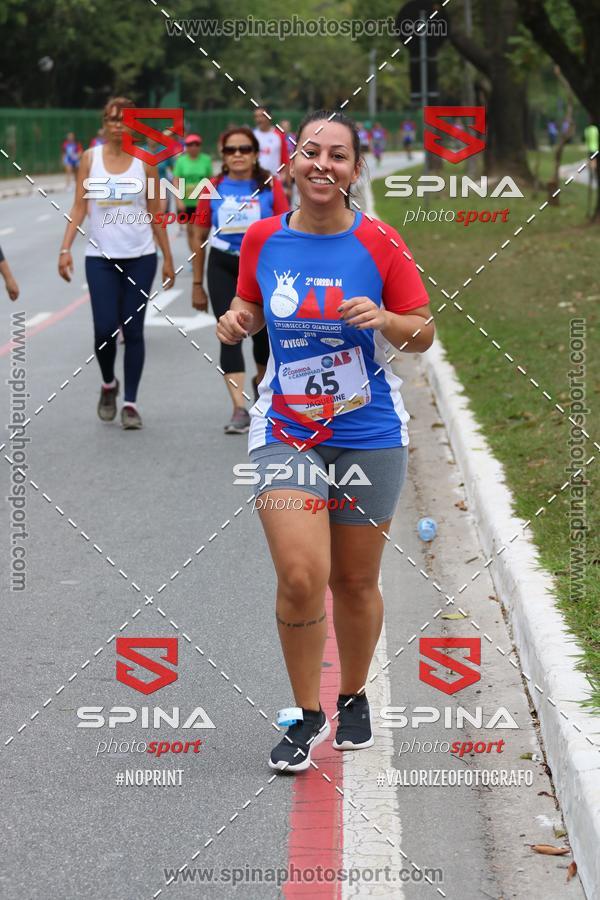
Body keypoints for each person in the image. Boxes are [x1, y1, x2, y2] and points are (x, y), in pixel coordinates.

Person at [216, 109, 434, 772]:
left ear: (354, 170)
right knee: (302, 575)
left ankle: (355, 694)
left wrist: (387, 318)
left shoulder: (381, 242)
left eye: (338, 156)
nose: (322, 165)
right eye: (312, 151)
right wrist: (237, 320)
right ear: (292, 162)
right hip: (287, 429)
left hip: (368, 430)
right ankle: (305, 714)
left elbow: (423, 332)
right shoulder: (262, 239)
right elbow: (252, 305)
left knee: (355, 579)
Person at [57, 96, 175, 430]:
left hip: (140, 256)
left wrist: (167, 258)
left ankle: (131, 403)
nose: (117, 125)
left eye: (123, 119)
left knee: (134, 330)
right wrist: (65, 248)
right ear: (104, 124)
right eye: (111, 119)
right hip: (101, 259)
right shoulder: (89, 159)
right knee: (105, 330)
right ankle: (109, 383)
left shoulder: (146, 162)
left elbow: (155, 213)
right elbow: (80, 205)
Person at [193, 126, 289, 434]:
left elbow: (288, 230)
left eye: (244, 149)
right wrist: (197, 283)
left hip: (262, 269)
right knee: (231, 330)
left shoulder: (270, 186)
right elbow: (199, 233)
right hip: (223, 265)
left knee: (263, 335)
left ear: (255, 153)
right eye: (231, 150)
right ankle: (238, 407)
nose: (237, 155)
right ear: (222, 155)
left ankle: (261, 390)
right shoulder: (212, 187)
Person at [172, 133, 212, 257]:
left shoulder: (206, 159)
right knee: (190, 231)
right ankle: (194, 255)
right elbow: (176, 180)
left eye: (197, 144)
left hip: (202, 202)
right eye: (190, 144)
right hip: (187, 202)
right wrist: (179, 200)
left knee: (201, 232)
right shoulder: (181, 161)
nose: (193, 147)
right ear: (186, 147)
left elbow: (210, 180)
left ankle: (199, 253)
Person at [253, 107, 290, 189]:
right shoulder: (251, 135)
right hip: (254, 181)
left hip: (274, 182)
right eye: (256, 116)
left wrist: (288, 185)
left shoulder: (279, 135)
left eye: (261, 116)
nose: (259, 119)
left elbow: (285, 161)